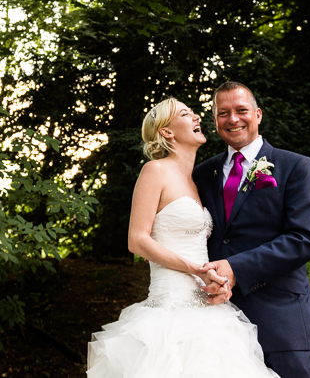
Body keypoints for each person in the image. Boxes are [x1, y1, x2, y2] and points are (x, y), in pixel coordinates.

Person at [87, 98, 278, 378]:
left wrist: (218, 279)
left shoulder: (197, 181)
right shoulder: (155, 171)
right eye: (186, 114)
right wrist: (197, 270)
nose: (196, 116)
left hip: (210, 313)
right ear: (166, 131)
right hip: (168, 312)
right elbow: (137, 240)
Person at [193, 81, 310, 378]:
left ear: (258, 114)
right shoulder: (202, 174)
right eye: (223, 113)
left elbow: (304, 239)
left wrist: (235, 268)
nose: (233, 119)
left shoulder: (296, 167)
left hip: (281, 319)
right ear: (215, 121)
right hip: (214, 321)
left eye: (241, 110)